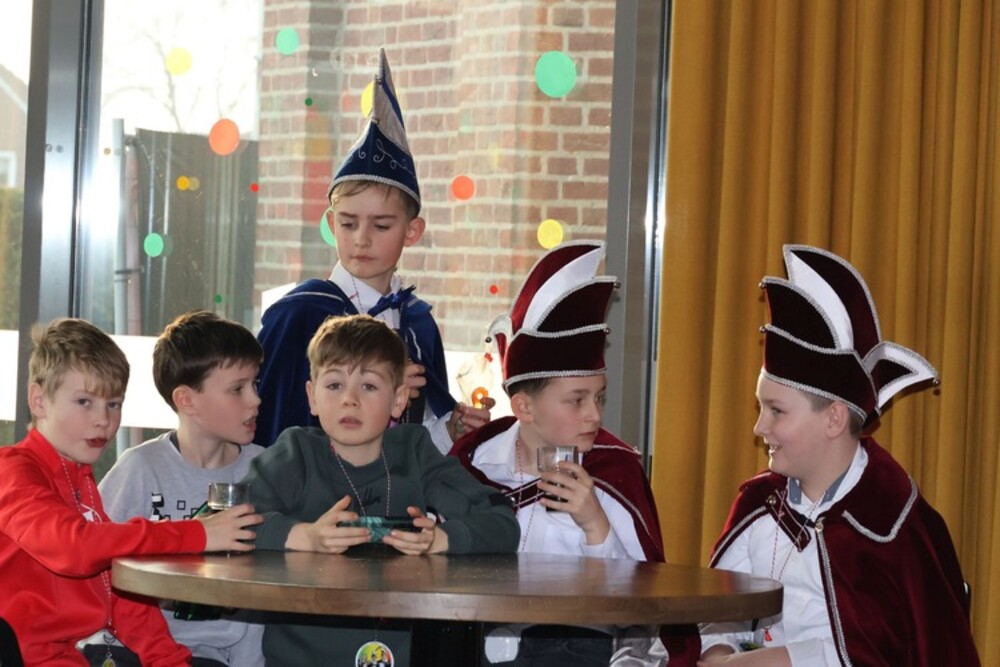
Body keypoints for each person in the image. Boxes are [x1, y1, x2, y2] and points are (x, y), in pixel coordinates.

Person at [698, 245, 980, 666]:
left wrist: (784, 660)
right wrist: (719, 647)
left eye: (776, 411)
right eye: (761, 408)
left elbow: (895, 650)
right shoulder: (758, 506)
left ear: (833, 419)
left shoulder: (898, 527)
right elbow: (718, 609)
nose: (759, 427)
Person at [450, 241, 694, 666]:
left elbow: (642, 603)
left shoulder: (614, 470)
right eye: (576, 400)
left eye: (599, 397)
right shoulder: (473, 461)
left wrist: (595, 524)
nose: (594, 414)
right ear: (524, 407)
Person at [242, 314, 519, 666]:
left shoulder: (415, 452)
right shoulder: (295, 454)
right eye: (334, 385)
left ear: (399, 399)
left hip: (405, 655)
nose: (350, 400)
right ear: (312, 397)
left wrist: (441, 540)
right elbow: (226, 521)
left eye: (369, 386)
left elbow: (501, 523)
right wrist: (304, 536)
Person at [255, 47, 492, 453]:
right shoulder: (300, 315)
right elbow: (275, 435)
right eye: (348, 223)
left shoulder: (417, 324)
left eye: (381, 225)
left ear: (412, 231)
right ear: (331, 223)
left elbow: (415, 446)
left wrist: (449, 429)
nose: (361, 238)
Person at [0, 318, 261, 666]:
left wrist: (169, 660)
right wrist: (196, 534)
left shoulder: (81, 481)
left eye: (113, 404)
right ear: (38, 401)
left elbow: (119, 591)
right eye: (84, 402)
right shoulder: (12, 469)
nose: (103, 420)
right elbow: (74, 547)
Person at [97, 311, 267, 666]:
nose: (255, 399)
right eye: (237, 389)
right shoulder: (140, 468)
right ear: (186, 400)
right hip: (137, 651)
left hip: (222, 656)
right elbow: (94, 560)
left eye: (255, 383)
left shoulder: (267, 469)